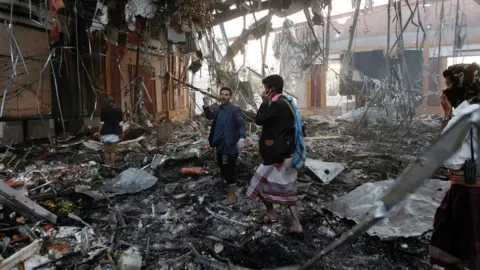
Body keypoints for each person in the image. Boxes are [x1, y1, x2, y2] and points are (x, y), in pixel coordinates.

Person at [429, 63, 480, 269]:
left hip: (469, 192)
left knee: (465, 246)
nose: (446, 91)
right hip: (469, 188)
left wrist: (448, 114)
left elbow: (448, 157)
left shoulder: (468, 112)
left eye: (450, 86)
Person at [246, 74, 302, 235]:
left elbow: (259, 119)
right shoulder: (285, 102)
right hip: (282, 153)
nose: (263, 91)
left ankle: (291, 221)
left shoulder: (277, 105)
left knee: (259, 185)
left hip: (279, 156)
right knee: (281, 186)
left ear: (271, 89)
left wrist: (263, 103)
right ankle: (274, 214)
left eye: (265, 88)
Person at [203, 87, 246, 205]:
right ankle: (227, 188)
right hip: (219, 144)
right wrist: (206, 106)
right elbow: (210, 116)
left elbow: (241, 124)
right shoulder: (218, 109)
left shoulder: (234, 110)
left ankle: (232, 196)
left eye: (226, 94)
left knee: (229, 168)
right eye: (222, 94)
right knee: (222, 166)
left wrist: (242, 138)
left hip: (229, 145)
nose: (223, 96)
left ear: (230, 97)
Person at [98, 96, 124, 167]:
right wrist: (122, 132)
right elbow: (120, 123)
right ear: (113, 102)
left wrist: (99, 133)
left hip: (105, 133)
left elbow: (102, 123)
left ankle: (107, 163)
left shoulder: (103, 110)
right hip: (115, 133)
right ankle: (112, 164)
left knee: (106, 150)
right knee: (113, 151)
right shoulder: (118, 110)